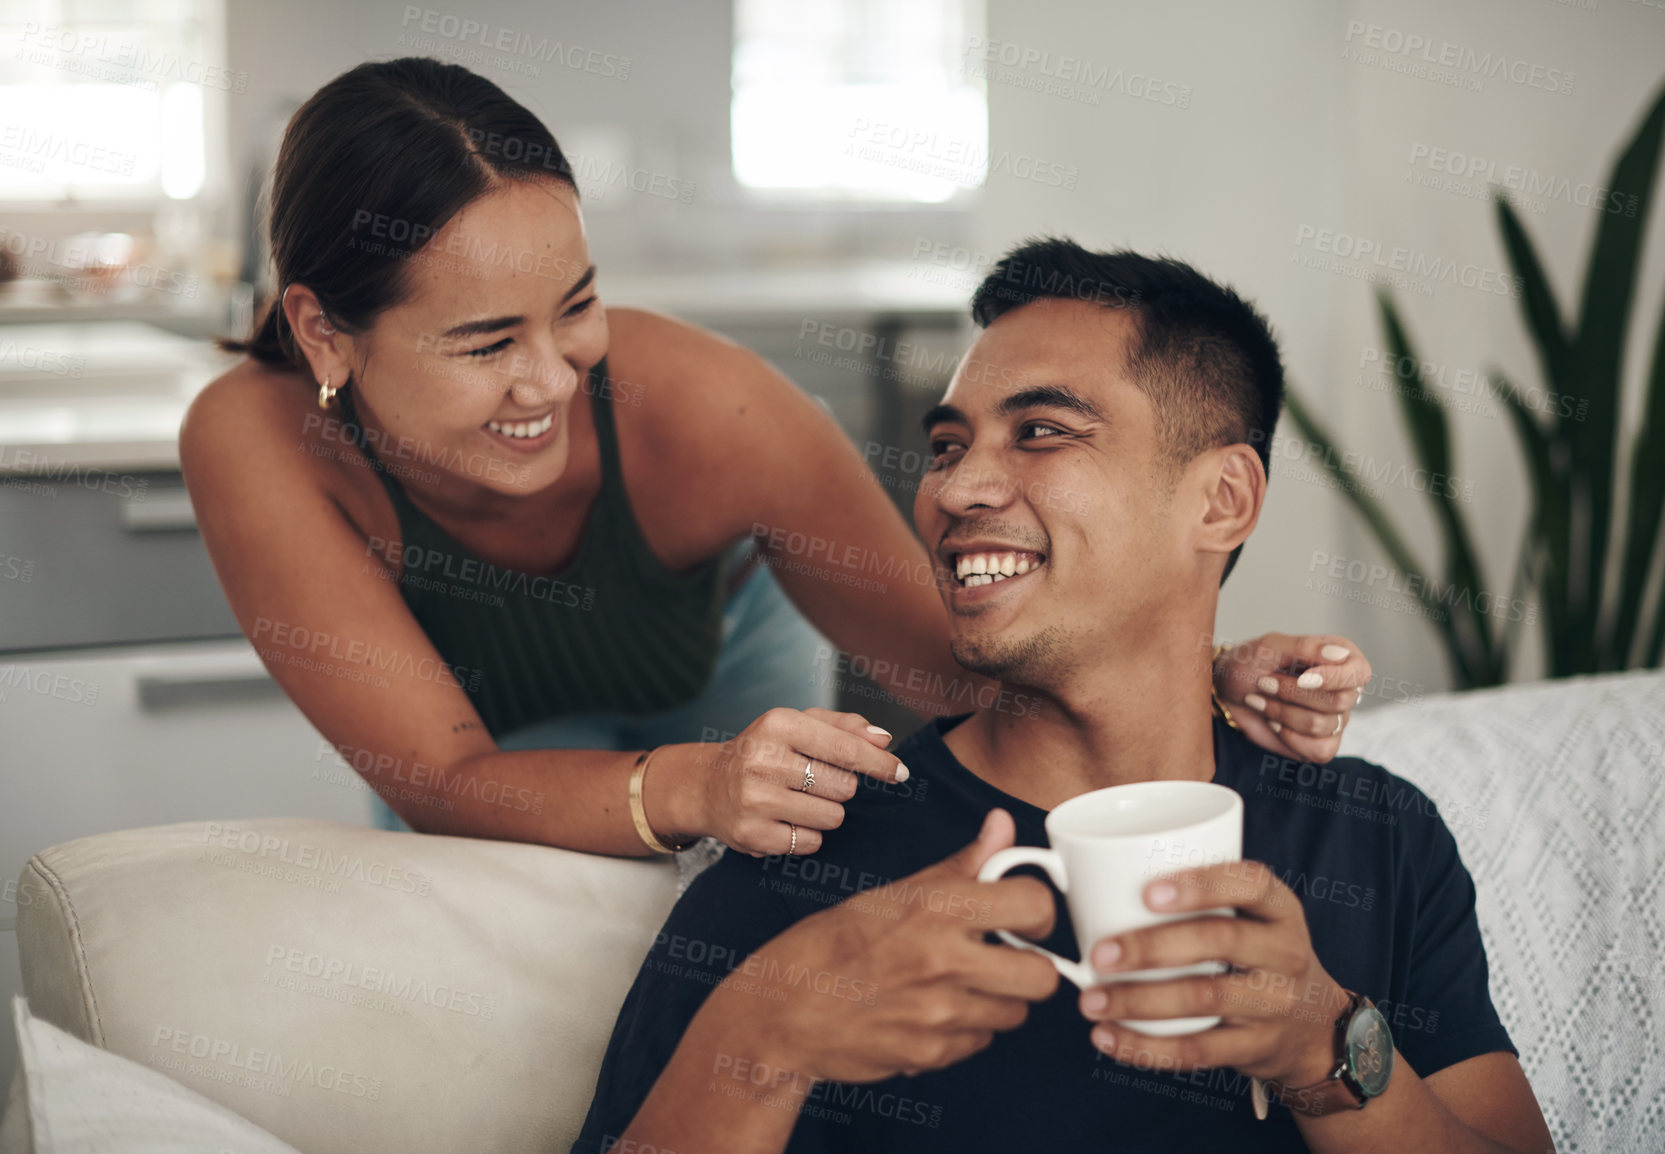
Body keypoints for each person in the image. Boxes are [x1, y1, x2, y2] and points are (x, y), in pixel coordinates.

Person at [182, 58, 1368, 882]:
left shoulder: (717, 412)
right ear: (327, 331)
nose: (550, 378)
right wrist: (689, 790)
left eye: (577, 306)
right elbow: (443, 775)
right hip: (470, 754)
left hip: (714, 670)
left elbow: (947, 662)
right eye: (487, 342)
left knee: (731, 908)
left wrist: (1196, 669)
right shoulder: (254, 442)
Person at [575, 240, 1554, 1153]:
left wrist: (1327, 1049)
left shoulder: (1379, 836)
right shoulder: (801, 850)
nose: (954, 490)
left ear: (1221, 500)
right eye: (950, 444)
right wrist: (764, 1037)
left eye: (1040, 431)